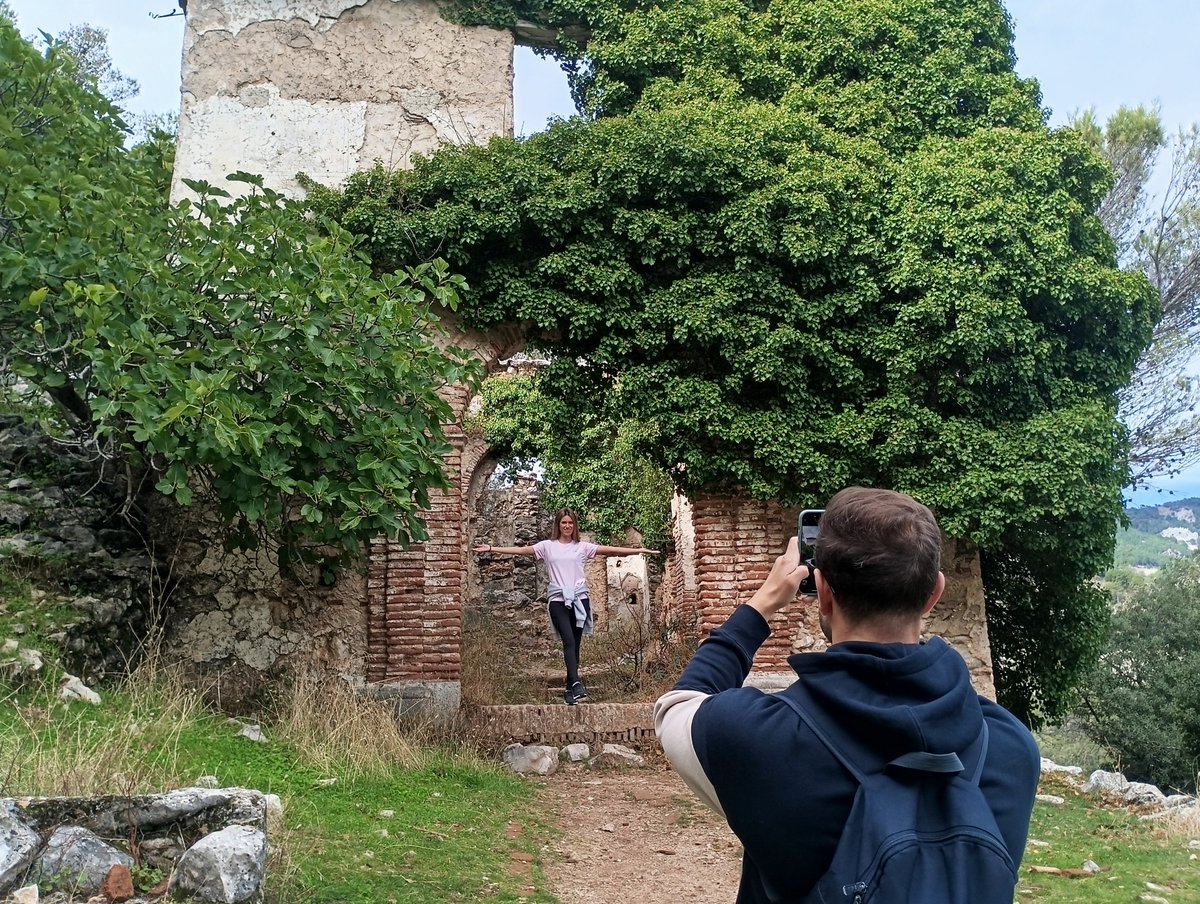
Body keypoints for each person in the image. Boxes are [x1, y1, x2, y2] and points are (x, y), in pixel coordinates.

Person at [653, 487, 1040, 903]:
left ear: (822, 591)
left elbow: (677, 707)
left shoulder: (758, 738)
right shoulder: (1010, 747)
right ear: (933, 594)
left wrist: (760, 606)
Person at [476, 508, 660, 705]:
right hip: (558, 600)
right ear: (558, 525)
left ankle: (569, 690)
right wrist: (491, 549)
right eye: (563, 522)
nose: (567, 526)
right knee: (569, 641)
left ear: (574, 525)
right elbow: (521, 550)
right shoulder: (547, 546)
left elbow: (611, 550)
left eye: (570, 523)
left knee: (575, 646)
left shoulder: (582, 547)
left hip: (580, 599)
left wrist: (640, 550)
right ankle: (577, 683)